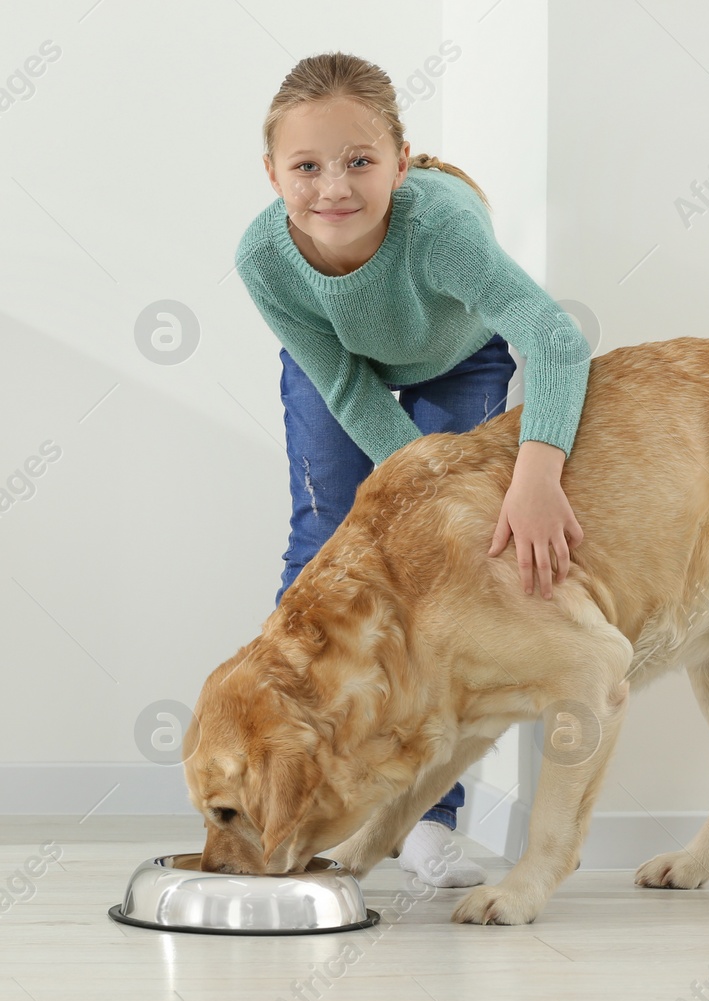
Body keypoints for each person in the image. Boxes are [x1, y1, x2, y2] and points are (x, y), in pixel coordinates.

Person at [233, 51, 593, 888]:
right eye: (307, 166)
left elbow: (554, 337)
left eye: (360, 161)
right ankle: (291, 793)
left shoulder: (440, 230)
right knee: (321, 544)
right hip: (342, 373)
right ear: (271, 173)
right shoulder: (263, 257)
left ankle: (423, 818)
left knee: (439, 574)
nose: (334, 187)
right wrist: (413, 484)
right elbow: (344, 382)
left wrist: (536, 476)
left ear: (400, 158)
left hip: (453, 361)